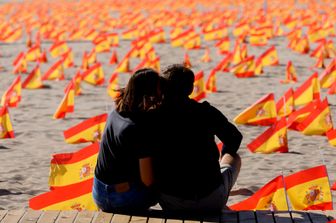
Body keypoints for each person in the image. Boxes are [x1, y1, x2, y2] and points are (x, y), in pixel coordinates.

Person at [154, 64, 243, 214]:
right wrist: (223, 156)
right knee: (234, 157)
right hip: (210, 201)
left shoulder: (153, 116)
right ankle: (221, 183)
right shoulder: (205, 111)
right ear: (190, 89)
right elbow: (235, 138)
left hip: (170, 201)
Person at [93, 68, 161, 212]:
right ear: (150, 95)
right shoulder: (138, 127)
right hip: (122, 198)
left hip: (99, 192)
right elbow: (147, 181)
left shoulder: (116, 110)